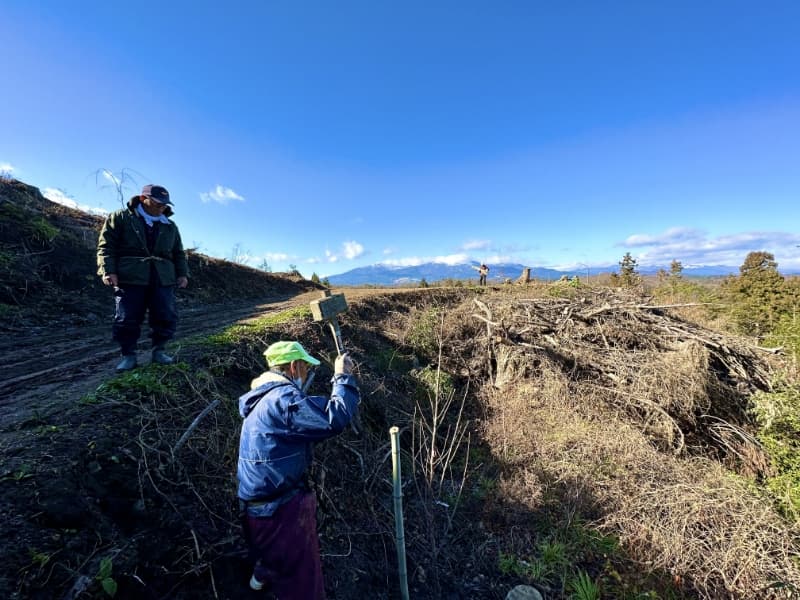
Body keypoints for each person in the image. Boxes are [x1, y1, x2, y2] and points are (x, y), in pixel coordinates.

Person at [237, 341, 360, 599]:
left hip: (255, 508)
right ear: (293, 367)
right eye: (305, 367)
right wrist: (343, 377)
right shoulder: (283, 400)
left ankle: (262, 576)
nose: (305, 374)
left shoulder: (261, 400)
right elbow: (332, 418)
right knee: (305, 583)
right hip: (280, 511)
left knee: (275, 560)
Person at [96, 184, 189, 371]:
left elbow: (178, 252)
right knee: (127, 317)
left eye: (164, 204)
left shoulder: (170, 226)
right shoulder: (120, 218)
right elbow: (106, 247)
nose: (161, 207)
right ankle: (128, 355)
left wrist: (182, 274)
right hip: (130, 275)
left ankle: (159, 351)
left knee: (165, 314)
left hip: (162, 277)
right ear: (143, 199)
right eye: (156, 203)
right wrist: (108, 270)